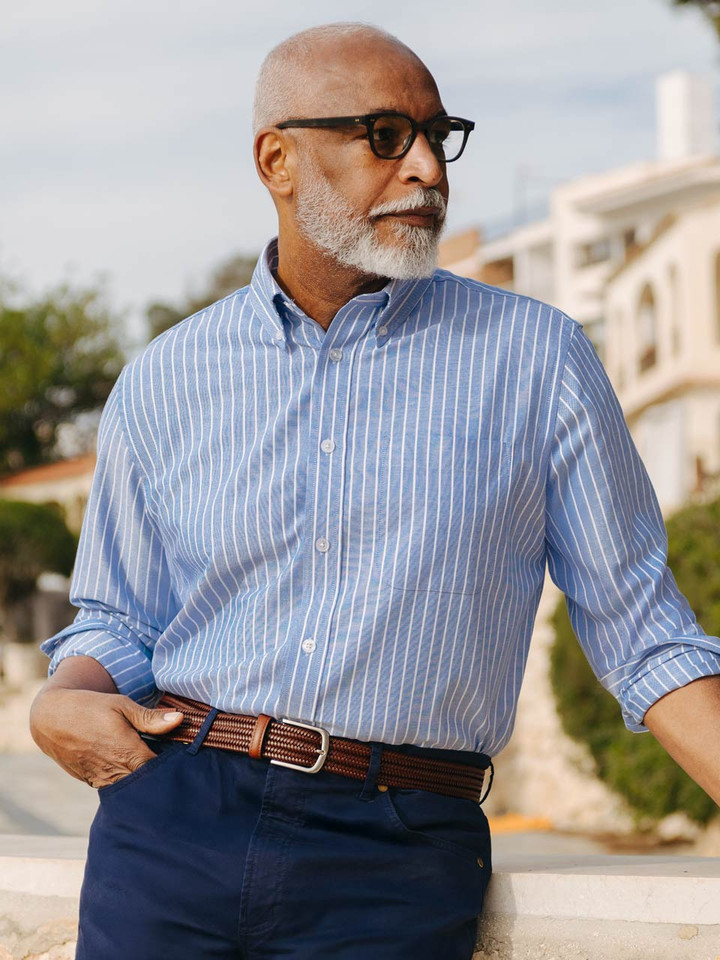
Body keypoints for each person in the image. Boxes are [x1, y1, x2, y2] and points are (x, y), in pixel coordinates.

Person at [30, 20, 720, 960]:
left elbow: (646, 637)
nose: (428, 168)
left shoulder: (538, 360)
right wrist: (62, 698)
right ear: (277, 160)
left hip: (398, 848)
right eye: (386, 136)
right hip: (172, 821)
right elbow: (119, 620)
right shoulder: (166, 376)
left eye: (440, 135)